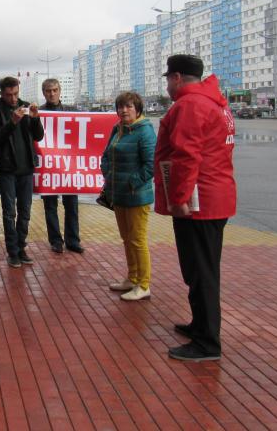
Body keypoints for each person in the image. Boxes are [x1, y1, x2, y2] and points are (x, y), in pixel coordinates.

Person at [154, 54, 236, 362]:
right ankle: (200, 324)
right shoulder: (215, 102)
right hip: (215, 197)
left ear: (176, 78)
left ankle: (207, 343)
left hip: (199, 203)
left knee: (201, 271)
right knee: (201, 268)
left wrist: (179, 198)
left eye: (167, 80)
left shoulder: (190, 105)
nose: (167, 86)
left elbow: (186, 156)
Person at [100, 91, 156, 301]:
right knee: (127, 239)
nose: (123, 110)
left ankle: (143, 284)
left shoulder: (145, 131)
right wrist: (107, 173)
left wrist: (132, 182)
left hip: (136, 196)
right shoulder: (118, 129)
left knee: (138, 240)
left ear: (138, 109)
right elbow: (106, 155)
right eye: (120, 107)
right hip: (119, 194)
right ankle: (132, 279)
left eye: (128, 106)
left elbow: (151, 165)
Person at [0, 76, 44, 268]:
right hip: (7, 170)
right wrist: (12, 122)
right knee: (9, 212)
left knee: (25, 211)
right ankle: (12, 251)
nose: (13, 99)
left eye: (16, 94)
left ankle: (21, 247)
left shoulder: (26, 106)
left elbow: (38, 136)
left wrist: (35, 120)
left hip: (26, 167)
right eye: (9, 95)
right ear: (1, 93)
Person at [39, 78, 83, 253]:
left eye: (55, 90)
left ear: (60, 91)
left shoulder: (72, 111)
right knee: (50, 206)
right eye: (48, 91)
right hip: (48, 167)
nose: (52, 94)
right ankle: (56, 241)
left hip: (69, 167)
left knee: (71, 205)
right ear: (44, 93)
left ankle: (73, 241)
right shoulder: (39, 113)